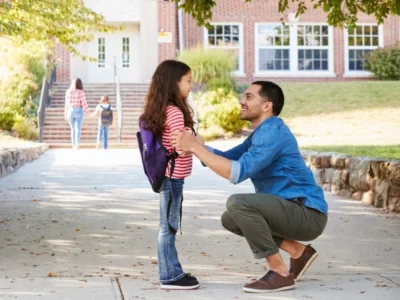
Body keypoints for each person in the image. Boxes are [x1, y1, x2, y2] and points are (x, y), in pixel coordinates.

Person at [170, 81, 328, 293]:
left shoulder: (273, 132)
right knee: (231, 218)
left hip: (306, 213)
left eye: (249, 97)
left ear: (266, 106)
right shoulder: (260, 134)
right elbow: (228, 158)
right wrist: (198, 146)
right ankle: (299, 252)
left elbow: (236, 172)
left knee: (238, 203)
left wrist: (195, 148)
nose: (242, 101)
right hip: (290, 210)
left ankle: (279, 272)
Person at [141, 60, 203, 290]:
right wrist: (195, 140)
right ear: (174, 83)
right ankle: (169, 275)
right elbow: (180, 147)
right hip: (172, 177)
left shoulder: (162, 109)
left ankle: (172, 269)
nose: (191, 85)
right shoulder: (175, 112)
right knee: (168, 227)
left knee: (168, 225)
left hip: (169, 176)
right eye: (188, 81)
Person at [64, 78, 89, 150]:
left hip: (70, 110)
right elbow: (84, 103)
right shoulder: (81, 92)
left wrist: (65, 113)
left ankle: (73, 145)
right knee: (77, 128)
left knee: (72, 129)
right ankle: (77, 144)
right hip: (78, 110)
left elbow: (66, 104)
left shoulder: (68, 91)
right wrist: (87, 112)